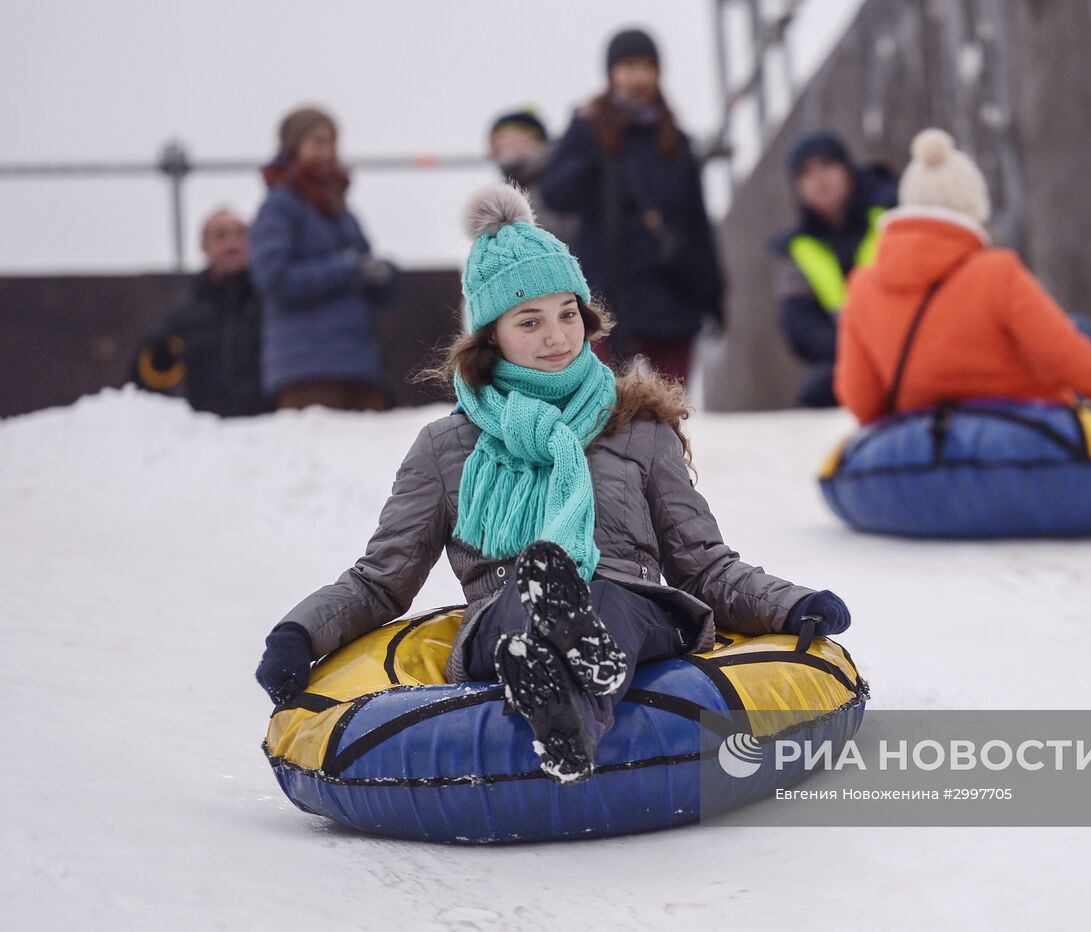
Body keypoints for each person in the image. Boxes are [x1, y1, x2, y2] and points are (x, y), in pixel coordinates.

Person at [255, 183, 850, 784]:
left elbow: (702, 563)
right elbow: (381, 580)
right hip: (505, 613)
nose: (558, 337)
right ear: (491, 337)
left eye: (568, 314)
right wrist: (299, 632)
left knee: (606, 598)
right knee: (520, 604)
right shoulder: (446, 448)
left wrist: (791, 603)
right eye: (530, 321)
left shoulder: (638, 426)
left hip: (632, 600)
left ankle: (570, 701)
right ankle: (551, 668)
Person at [835, 129, 1091, 425]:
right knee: (1084, 331)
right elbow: (1070, 359)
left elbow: (861, 401)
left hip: (928, 446)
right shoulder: (997, 273)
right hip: (1024, 435)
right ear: (973, 206)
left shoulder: (863, 285)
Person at [536, 28, 724, 383]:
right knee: (603, 409)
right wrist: (589, 166)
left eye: (647, 66)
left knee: (672, 413)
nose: (637, 76)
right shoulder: (588, 131)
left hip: (671, 299)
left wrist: (715, 297)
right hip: (605, 298)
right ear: (611, 72)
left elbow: (697, 223)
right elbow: (554, 194)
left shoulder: (676, 141)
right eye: (628, 65)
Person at [249, 106, 400, 411]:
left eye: (332, 143)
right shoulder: (279, 206)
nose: (328, 152)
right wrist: (345, 268)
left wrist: (383, 276)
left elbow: (361, 266)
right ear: (294, 147)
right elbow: (273, 279)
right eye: (317, 142)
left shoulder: (341, 211)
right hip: (305, 370)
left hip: (359, 367)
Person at [771, 130, 897, 408]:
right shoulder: (798, 249)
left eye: (827, 166)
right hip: (851, 356)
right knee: (815, 391)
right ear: (797, 187)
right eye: (806, 173)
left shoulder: (892, 215)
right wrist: (856, 348)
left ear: (847, 170)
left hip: (906, 341)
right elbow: (799, 325)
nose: (819, 180)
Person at [130, 209, 270, 416]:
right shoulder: (182, 317)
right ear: (204, 246)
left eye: (241, 234)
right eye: (220, 235)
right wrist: (157, 358)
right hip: (206, 435)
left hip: (272, 431)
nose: (232, 244)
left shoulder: (272, 305)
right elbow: (146, 386)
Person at [486, 108, 576, 246]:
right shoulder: (506, 193)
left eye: (500, 138)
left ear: (532, 137)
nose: (493, 150)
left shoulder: (566, 177)